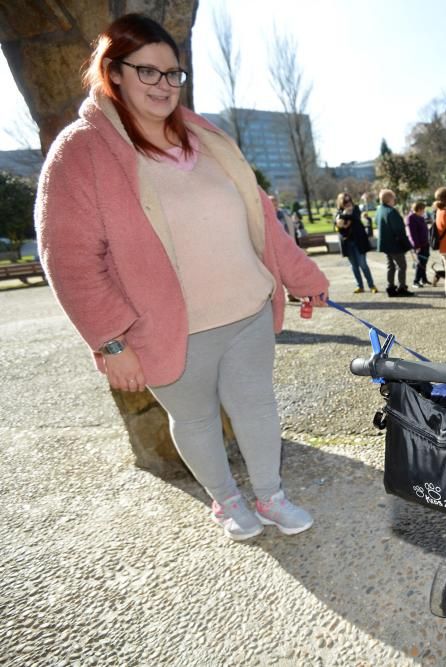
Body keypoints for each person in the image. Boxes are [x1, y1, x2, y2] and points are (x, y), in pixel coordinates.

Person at [35, 14, 330, 541]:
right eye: (147, 72)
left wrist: (302, 275)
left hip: (247, 311)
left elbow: (260, 217)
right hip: (167, 329)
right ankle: (227, 503)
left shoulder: (206, 135)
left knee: (258, 409)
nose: (164, 85)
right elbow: (70, 258)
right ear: (113, 72)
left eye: (173, 74)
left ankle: (271, 495)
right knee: (194, 423)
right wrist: (109, 340)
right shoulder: (81, 150)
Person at [335, 192, 377, 294]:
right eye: (345, 201)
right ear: (341, 203)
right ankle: (360, 286)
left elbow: (354, 218)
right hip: (347, 243)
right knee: (354, 266)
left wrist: (344, 219)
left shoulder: (356, 209)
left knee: (363, 264)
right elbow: (337, 226)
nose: (348, 203)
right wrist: (344, 217)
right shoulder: (338, 213)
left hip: (359, 241)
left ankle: (371, 285)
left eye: (349, 200)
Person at [374, 189, 412, 297]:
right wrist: (407, 244)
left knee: (390, 266)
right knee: (402, 266)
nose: (395, 200)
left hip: (385, 244)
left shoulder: (379, 210)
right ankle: (402, 288)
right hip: (395, 245)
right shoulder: (391, 211)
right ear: (390, 199)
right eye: (394, 197)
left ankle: (390, 287)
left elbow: (376, 222)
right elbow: (399, 230)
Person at [406, 200, 431, 287]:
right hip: (419, 245)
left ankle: (424, 279)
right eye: (423, 210)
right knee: (420, 263)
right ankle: (415, 281)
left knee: (424, 262)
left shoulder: (420, 216)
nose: (424, 212)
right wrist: (417, 246)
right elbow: (412, 234)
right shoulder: (411, 218)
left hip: (425, 243)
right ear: (419, 209)